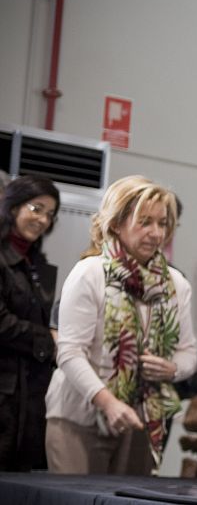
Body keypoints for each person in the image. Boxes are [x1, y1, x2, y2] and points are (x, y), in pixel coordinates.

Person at [45, 175, 197, 475]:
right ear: (116, 223)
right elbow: (69, 353)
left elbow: (189, 353)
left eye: (162, 223)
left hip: (140, 420)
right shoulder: (90, 273)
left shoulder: (176, 284)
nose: (156, 233)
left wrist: (173, 369)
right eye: (144, 222)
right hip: (79, 418)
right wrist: (108, 403)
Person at [0, 175, 60, 471]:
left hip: (30, 397)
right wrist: (49, 340)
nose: (43, 220)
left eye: (50, 214)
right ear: (13, 209)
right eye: (36, 209)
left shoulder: (37, 265)